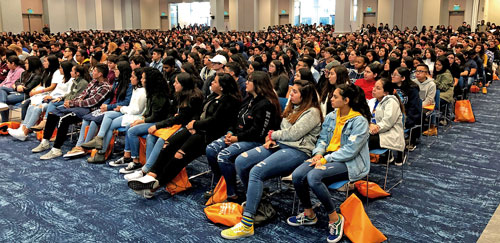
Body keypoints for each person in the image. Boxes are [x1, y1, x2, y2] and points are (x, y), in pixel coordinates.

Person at [220, 79, 322, 240]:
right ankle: (259, 202)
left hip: (298, 151)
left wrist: (272, 135)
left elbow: (294, 134)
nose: (290, 94)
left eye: (295, 92)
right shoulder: (292, 107)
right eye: (291, 90)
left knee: (256, 171)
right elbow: (284, 130)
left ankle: (247, 224)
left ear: (305, 96)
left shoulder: (313, 112)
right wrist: (273, 138)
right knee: (241, 161)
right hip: (280, 144)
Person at [127, 73, 242, 199]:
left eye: (215, 82)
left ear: (222, 86)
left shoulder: (230, 101)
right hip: (196, 128)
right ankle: (151, 176)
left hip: (209, 134)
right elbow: (200, 114)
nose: (211, 83)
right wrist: (194, 125)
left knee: (179, 155)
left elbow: (214, 121)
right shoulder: (213, 96)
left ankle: (155, 185)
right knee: (168, 144)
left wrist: (195, 125)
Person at [286, 84, 371, 243]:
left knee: (313, 177)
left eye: (335, 97)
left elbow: (350, 151)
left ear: (346, 100)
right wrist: (318, 153)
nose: (330, 99)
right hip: (327, 156)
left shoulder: (359, 121)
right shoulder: (332, 116)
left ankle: (335, 218)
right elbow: (323, 139)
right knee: (297, 175)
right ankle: (309, 214)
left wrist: (326, 159)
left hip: (349, 162)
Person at [205, 71, 281, 201]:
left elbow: (258, 133)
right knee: (211, 149)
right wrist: (230, 133)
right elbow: (234, 120)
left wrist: (237, 138)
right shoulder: (248, 98)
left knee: (223, 156)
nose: (245, 82)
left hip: (255, 141)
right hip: (238, 136)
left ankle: (231, 192)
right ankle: (220, 184)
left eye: (249, 81)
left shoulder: (266, 104)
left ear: (258, 85)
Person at [123, 72, 204, 180]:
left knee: (162, 139)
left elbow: (182, 118)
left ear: (184, 84)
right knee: (150, 136)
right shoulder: (179, 94)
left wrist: (158, 125)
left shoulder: (194, 98)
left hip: (188, 128)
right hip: (175, 124)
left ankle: (146, 171)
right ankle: (148, 168)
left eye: (176, 82)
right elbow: (172, 114)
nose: (173, 84)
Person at [31, 64, 111, 160]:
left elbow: (91, 102)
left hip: (89, 110)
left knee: (64, 119)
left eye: (94, 71)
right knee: (52, 113)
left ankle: (56, 149)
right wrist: (71, 102)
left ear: (100, 74)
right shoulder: (93, 82)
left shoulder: (106, 87)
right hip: (78, 106)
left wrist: (73, 104)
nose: (92, 72)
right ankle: (45, 142)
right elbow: (82, 94)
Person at [8, 61, 73, 141]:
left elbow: (68, 94)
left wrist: (51, 98)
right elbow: (55, 90)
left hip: (58, 101)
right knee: (31, 106)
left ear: (65, 69)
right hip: (52, 97)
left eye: (61, 68)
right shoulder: (62, 78)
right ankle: (22, 128)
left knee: (37, 108)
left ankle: (25, 132)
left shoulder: (71, 81)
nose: (59, 69)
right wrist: (49, 96)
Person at [0, 56, 43, 122]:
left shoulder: (37, 75)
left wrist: (18, 86)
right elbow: (17, 81)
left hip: (25, 94)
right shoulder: (24, 72)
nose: (25, 65)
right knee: (1, 88)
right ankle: (2, 105)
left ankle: (4, 121)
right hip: (17, 90)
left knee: (5, 99)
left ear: (32, 64)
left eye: (26, 63)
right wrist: (18, 86)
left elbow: (28, 88)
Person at [368, 78, 405, 152]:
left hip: (389, 134)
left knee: (361, 140)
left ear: (386, 93)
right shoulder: (372, 101)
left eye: (378, 88)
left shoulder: (391, 102)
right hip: (374, 130)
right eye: (374, 86)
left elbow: (387, 123)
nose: (374, 89)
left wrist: (371, 129)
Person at [391, 67, 422, 153]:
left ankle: (410, 140)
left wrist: (407, 120)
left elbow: (414, 107)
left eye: (395, 75)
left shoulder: (412, 89)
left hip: (407, 114)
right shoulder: (390, 86)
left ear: (403, 78)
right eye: (392, 74)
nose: (392, 76)